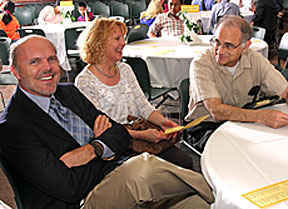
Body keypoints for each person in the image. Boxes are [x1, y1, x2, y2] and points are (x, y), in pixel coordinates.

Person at [0, 34, 214, 209]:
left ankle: (211, 196)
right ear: (16, 72)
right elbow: (69, 187)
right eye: (34, 62)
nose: (47, 68)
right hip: (82, 201)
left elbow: (119, 132)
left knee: (195, 204)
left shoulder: (68, 93)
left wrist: (94, 149)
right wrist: (104, 150)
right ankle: (216, 190)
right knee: (143, 169)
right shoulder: (12, 127)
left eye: (52, 59)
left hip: (115, 175)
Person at [75, 18, 195, 170]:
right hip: (116, 146)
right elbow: (103, 128)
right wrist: (142, 135)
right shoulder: (85, 82)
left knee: (185, 162)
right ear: (100, 42)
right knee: (161, 172)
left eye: (123, 38)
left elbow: (143, 106)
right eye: (117, 38)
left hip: (140, 134)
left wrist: (162, 122)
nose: (123, 43)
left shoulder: (125, 69)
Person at [186, 15, 288, 153]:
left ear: (245, 47)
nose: (219, 51)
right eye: (216, 42)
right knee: (235, 154)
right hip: (207, 125)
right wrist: (262, 117)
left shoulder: (255, 59)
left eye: (228, 46)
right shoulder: (201, 63)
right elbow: (216, 111)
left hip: (242, 119)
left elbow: (285, 90)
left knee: (271, 147)